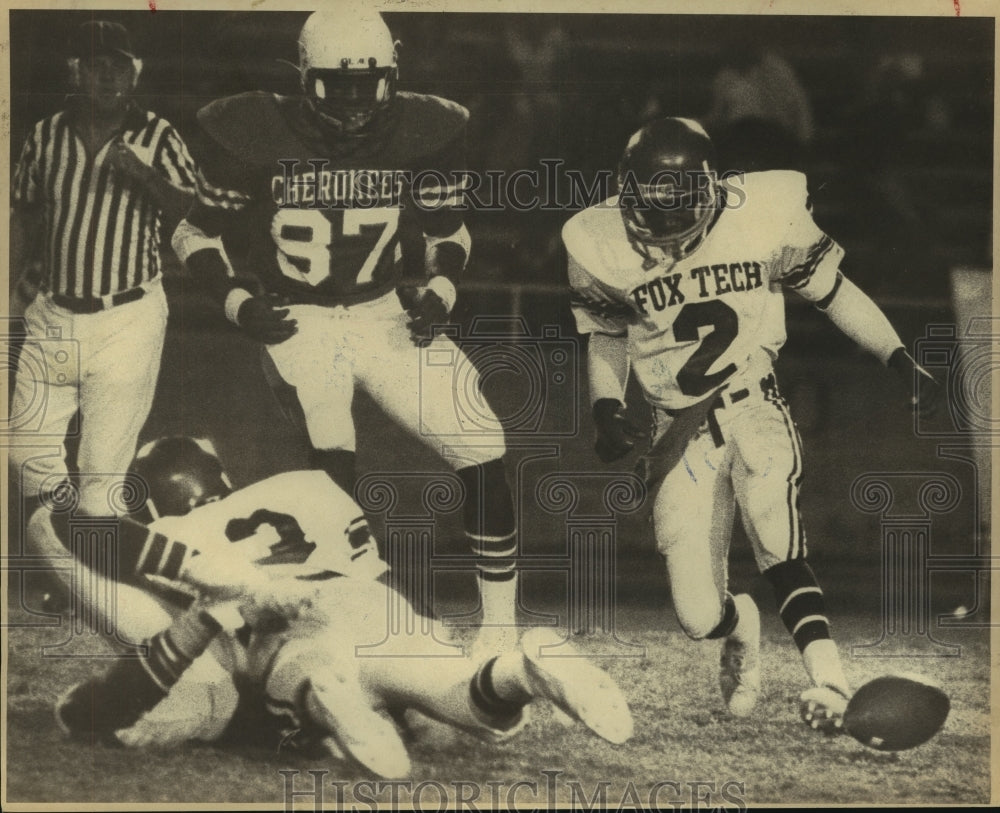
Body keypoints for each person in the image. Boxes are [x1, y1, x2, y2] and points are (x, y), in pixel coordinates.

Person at [563, 117, 937, 727]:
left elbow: (833, 291)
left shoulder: (762, 210)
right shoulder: (595, 240)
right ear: (627, 192)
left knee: (773, 526)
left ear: (713, 187)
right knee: (696, 616)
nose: (668, 221)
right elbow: (605, 336)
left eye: (682, 203)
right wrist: (605, 403)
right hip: (675, 426)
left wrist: (897, 355)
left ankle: (833, 683)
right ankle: (743, 625)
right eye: (654, 205)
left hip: (753, 398)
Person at [169, 8, 519, 654]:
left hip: (383, 310)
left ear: (393, 73)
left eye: (368, 84)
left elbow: (450, 232)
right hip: (299, 317)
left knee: (482, 438)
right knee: (334, 454)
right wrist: (240, 303)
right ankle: (352, 623)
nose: (357, 103)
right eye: (340, 85)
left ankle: (499, 630)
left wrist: (440, 290)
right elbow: (194, 232)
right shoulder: (254, 128)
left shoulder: (427, 127)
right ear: (304, 76)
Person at [34, 437, 633, 779]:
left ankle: (328, 695)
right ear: (223, 475)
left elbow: (82, 534)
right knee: (453, 692)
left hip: (285, 627)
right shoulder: (302, 487)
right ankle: (520, 672)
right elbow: (384, 579)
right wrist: (428, 636)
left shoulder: (174, 542)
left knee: (303, 672)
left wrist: (197, 584)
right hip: (362, 598)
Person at [8, 21, 197, 537]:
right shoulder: (46, 135)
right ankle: (67, 562)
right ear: (77, 72)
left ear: (135, 75)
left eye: (119, 66)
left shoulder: (158, 135)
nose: (108, 76)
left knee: (101, 473)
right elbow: (24, 214)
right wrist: (7, 294)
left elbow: (193, 210)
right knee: (25, 453)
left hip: (126, 316)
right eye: (96, 66)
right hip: (54, 312)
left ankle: (89, 592)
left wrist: (145, 175)